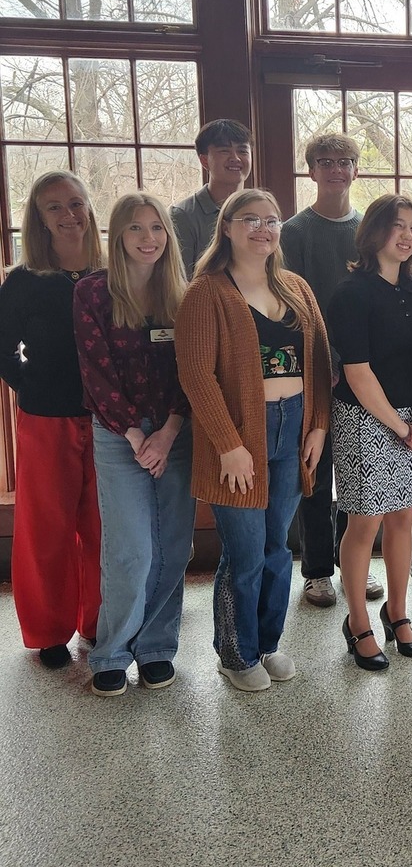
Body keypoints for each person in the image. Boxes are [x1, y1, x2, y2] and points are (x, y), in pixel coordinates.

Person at [176, 189, 331, 692]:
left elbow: (320, 362)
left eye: (272, 220)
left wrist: (318, 425)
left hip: (294, 426)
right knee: (244, 553)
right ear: (227, 227)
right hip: (241, 433)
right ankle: (235, 653)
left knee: (277, 548)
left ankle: (266, 643)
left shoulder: (296, 288)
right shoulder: (206, 293)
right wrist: (229, 445)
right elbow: (196, 375)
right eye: (251, 220)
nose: (263, 229)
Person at [73, 193, 195, 696]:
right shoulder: (92, 292)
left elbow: (194, 369)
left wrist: (167, 432)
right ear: (118, 235)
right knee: (130, 550)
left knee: (173, 547)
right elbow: (96, 373)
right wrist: (137, 434)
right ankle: (112, 652)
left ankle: (157, 647)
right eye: (136, 228)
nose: (148, 238)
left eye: (157, 227)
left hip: (175, 433)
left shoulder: (184, 294)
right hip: (118, 434)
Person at [327, 195, 412, 670]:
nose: (407, 235)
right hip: (364, 418)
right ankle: (358, 621)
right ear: (373, 232)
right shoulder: (350, 293)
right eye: (397, 225)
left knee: (404, 519)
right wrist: (400, 426)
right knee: (365, 523)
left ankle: (397, 613)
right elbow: (358, 372)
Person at [0, 171, 104, 669]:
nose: (69, 215)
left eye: (76, 203)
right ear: (39, 218)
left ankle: (101, 621)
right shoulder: (23, 282)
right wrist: (34, 386)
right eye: (55, 207)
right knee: (47, 531)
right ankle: (49, 632)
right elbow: (3, 350)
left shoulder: (113, 273)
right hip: (46, 422)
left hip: (111, 423)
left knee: (106, 529)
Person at [280, 133, 382, 607]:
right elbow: (290, 302)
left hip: (364, 369)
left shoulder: (368, 231)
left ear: (356, 170)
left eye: (345, 161)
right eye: (325, 161)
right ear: (311, 170)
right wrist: (326, 360)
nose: (336, 169)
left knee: (358, 470)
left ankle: (352, 561)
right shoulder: (294, 232)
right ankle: (318, 569)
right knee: (315, 471)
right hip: (314, 368)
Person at [171, 119, 253, 278]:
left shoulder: (261, 211)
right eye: (224, 151)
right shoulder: (182, 216)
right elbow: (180, 281)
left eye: (243, 151)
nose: (235, 158)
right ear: (204, 160)